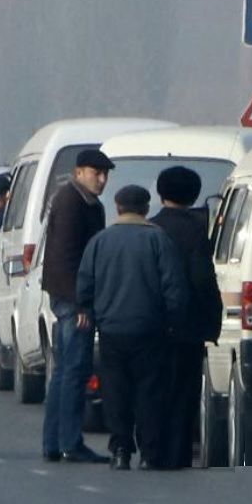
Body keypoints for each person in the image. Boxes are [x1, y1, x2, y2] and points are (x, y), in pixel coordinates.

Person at [76, 185, 187, 471]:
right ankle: (150, 454)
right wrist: (173, 321)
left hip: (111, 330)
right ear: (146, 208)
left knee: (116, 392)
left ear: (117, 207)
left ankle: (120, 450)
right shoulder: (159, 240)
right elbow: (174, 287)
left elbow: (85, 283)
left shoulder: (100, 241)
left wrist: (88, 310)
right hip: (150, 329)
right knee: (149, 392)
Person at [40, 148, 115, 464]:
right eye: (95, 173)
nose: (101, 179)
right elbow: (68, 257)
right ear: (79, 172)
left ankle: (55, 442)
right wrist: (82, 303)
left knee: (65, 371)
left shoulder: (86, 203)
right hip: (74, 300)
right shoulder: (72, 202)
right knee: (74, 369)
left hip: (72, 297)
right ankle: (69, 441)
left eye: (105, 174)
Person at [149, 166, 222, 469]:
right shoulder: (196, 232)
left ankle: (152, 451)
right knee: (183, 393)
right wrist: (211, 320)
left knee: (153, 389)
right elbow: (203, 279)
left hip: (151, 324)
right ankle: (177, 454)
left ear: (160, 192)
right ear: (193, 195)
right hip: (188, 326)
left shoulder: (149, 228)